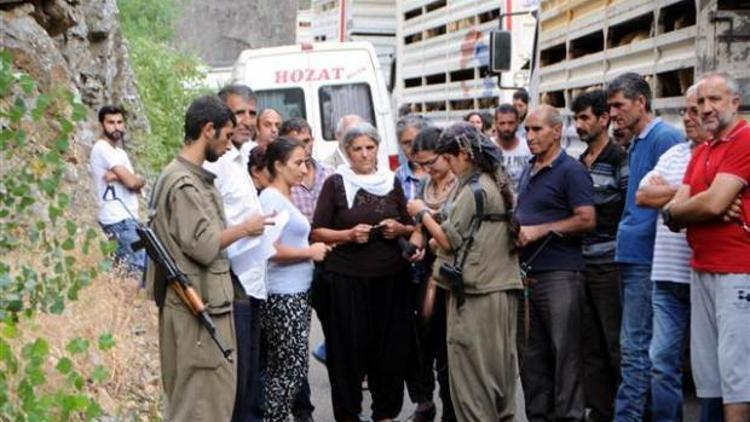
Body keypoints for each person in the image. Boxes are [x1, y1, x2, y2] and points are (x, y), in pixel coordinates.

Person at [146, 95, 268, 420]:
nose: (229, 147)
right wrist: (246, 228)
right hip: (197, 312)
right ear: (208, 130)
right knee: (201, 404)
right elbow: (204, 246)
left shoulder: (184, 177)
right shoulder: (184, 184)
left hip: (200, 307)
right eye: (226, 136)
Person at [410, 122, 522, 421]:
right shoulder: (490, 182)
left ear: (463, 154)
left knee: (473, 381)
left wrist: (420, 212)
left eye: (447, 158)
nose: (445, 165)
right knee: (497, 377)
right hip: (498, 288)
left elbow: (448, 238)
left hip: (477, 295)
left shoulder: (474, 188)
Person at [311, 122, 414, 421]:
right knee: (348, 352)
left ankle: (385, 413)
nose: (365, 154)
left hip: (391, 280)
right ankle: (349, 414)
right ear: (346, 152)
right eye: (357, 149)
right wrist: (347, 235)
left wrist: (399, 229)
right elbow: (316, 231)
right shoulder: (336, 183)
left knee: (390, 349)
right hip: (348, 280)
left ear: (378, 149)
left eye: (370, 148)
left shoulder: (390, 181)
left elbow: (410, 223)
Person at [664, 72, 750, 422]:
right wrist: (690, 208)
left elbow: (710, 205)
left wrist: (698, 206)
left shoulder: (744, 140)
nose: (706, 108)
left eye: (715, 99)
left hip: (737, 270)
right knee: (708, 378)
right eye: (701, 101)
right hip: (702, 268)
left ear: (735, 102)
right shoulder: (704, 149)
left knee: (737, 378)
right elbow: (675, 213)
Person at [607, 72, 683, 421]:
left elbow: (682, 192)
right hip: (633, 254)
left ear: (641, 102)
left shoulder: (664, 138)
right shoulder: (637, 141)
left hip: (650, 258)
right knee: (635, 347)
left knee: (637, 348)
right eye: (610, 107)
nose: (613, 113)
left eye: (619, 105)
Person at [635, 84, 711, 422]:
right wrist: (688, 192)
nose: (688, 117)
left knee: (710, 364)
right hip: (666, 275)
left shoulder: (722, 156)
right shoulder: (675, 154)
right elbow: (642, 196)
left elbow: (717, 201)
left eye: (695, 110)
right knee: (661, 361)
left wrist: (675, 196)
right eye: (685, 110)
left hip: (706, 273)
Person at [515, 105, 596, 421]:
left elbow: (587, 219)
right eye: (527, 130)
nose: (530, 136)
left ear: (557, 130)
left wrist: (540, 230)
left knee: (565, 355)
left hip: (561, 274)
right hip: (528, 276)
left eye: (537, 129)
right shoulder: (529, 168)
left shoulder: (571, 170)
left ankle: (570, 417)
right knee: (531, 357)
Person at [203, 84, 270, 422]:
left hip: (254, 283)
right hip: (231, 285)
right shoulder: (216, 165)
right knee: (237, 380)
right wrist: (247, 229)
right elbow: (206, 233)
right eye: (238, 113)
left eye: (251, 113)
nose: (246, 120)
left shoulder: (243, 158)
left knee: (251, 379)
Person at [259, 137, 331, 422]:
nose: (304, 169)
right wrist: (309, 252)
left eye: (306, 162)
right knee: (289, 368)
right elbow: (269, 249)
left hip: (296, 293)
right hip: (283, 296)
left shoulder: (285, 196)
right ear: (278, 165)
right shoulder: (271, 199)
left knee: (289, 367)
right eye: (297, 163)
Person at [572, 89, 627, 422]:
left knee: (615, 344)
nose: (578, 125)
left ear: (603, 119)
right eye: (576, 118)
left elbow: (628, 209)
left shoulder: (619, 159)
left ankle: (626, 410)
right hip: (582, 264)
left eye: (585, 118)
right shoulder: (579, 163)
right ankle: (600, 411)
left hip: (610, 265)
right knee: (589, 344)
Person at [403, 126, 457, 422]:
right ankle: (425, 402)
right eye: (420, 165)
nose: (426, 170)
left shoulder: (461, 186)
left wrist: (424, 214)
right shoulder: (425, 187)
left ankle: (451, 408)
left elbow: (450, 237)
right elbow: (420, 232)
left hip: (453, 275)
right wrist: (415, 246)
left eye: (431, 162)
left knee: (449, 350)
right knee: (423, 343)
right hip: (427, 272)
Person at [281, 117, 333, 422]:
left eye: (309, 140)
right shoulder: (282, 184)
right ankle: (303, 411)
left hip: (328, 262)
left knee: (336, 330)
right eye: (298, 142)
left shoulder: (329, 174)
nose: (306, 148)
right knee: (295, 346)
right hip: (295, 268)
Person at [89, 105, 146, 275]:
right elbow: (132, 182)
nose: (116, 126)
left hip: (129, 219)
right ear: (102, 125)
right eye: (111, 122)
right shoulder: (102, 148)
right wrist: (130, 179)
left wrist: (119, 177)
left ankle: (123, 301)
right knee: (135, 268)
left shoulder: (120, 153)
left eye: (120, 122)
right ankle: (128, 302)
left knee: (130, 267)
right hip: (117, 221)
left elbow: (137, 185)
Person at [493, 103, 532, 189]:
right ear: (495, 123)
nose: (506, 128)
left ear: (518, 122)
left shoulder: (528, 148)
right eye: (502, 123)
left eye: (510, 123)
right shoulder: (488, 148)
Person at [395, 115, 429, 200]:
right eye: (407, 143)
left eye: (417, 140)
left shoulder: (442, 172)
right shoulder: (397, 178)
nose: (413, 147)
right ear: (400, 145)